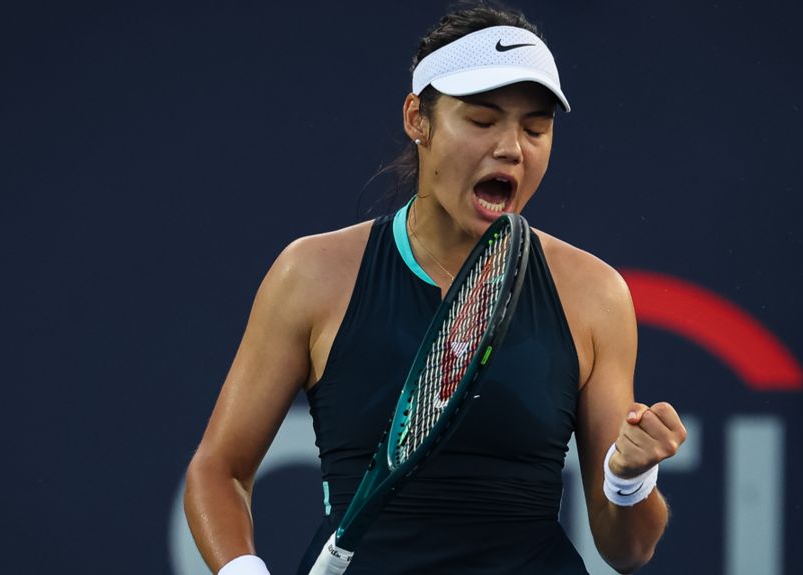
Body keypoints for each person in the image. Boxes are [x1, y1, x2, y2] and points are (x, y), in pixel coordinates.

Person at [184, 4, 687, 574]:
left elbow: (628, 550)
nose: (511, 148)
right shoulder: (312, 274)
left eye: (535, 127)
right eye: (481, 119)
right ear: (417, 119)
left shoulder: (596, 295)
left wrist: (628, 479)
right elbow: (219, 471)